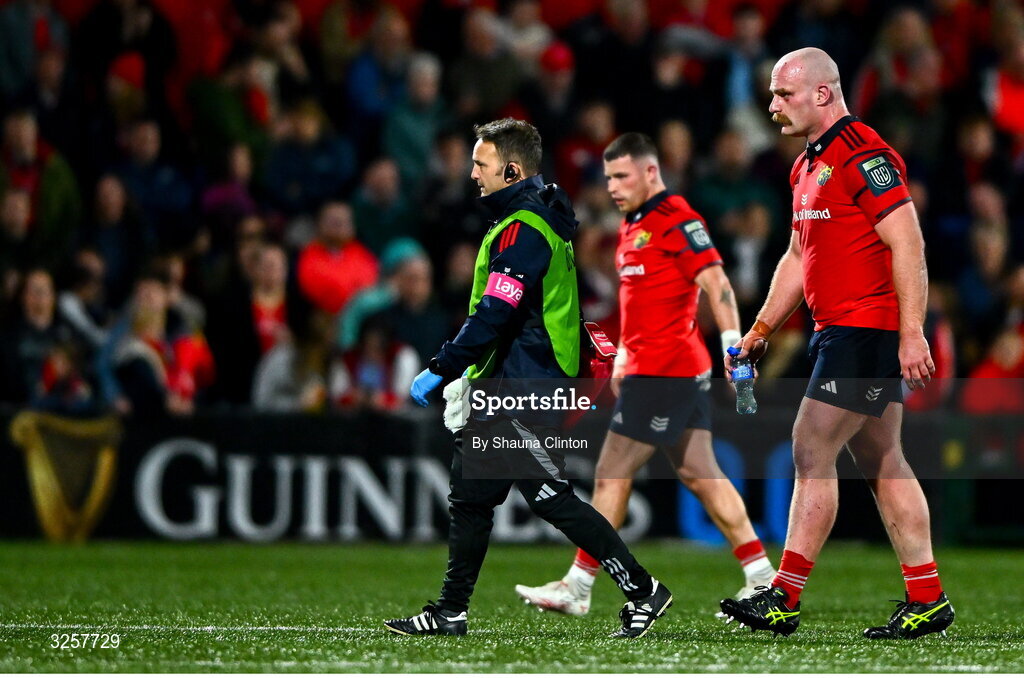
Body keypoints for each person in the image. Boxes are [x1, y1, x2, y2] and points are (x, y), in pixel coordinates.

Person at [384, 118, 672, 638]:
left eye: (481, 164)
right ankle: (450, 611)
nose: (472, 173)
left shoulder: (524, 228)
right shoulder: (535, 218)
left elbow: (496, 309)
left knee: (546, 495)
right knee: (471, 496)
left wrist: (443, 366)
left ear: (511, 170)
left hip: (525, 384)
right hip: (511, 379)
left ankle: (643, 589)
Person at [718, 48, 954, 640]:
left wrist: (911, 332)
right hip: (838, 330)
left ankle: (783, 598)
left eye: (783, 94)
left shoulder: (864, 153)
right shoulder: (806, 166)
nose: (772, 107)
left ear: (823, 93)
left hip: (865, 330)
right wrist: (762, 329)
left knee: (809, 446)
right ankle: (927, 599)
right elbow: (800, 256)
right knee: (882, 462)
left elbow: (909, 244)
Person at [514, 132, 775, 617]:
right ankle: (762, 577)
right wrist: (625, 358)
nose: (612, 186)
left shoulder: (677, 219)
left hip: (666, 374)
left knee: (612, 474)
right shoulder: (634, 225)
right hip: (655, 369)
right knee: (701, 474)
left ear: (651, 173)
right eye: (608, 177)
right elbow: (644, 305)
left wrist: (732, 347)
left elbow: (716, 283)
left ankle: (578, 584)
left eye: (622, 176)